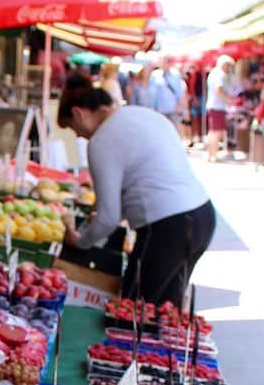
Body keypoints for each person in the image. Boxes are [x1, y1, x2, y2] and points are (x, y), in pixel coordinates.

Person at [57, 72, 216, 306]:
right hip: (202, 215)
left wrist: (80, 241)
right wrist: (112, 215)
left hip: (166, 227)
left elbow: (108, 219)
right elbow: (149, 179)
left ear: (79, 113)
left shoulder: (102, 140)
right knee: (163, 312)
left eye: (74, 129)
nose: (79, 136)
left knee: (133, 313)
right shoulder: (141, 114)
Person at [205, 54, 236, 161]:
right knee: (216, 131)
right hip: (217, 106)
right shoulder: (219, 75)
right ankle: (212, 154)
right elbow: (219, 90)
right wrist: (229, 100)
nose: (228, 68)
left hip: (215, 106)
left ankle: (211, 154)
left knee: (214, 131)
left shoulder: (214, 73)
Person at [153, 56, 187, 130]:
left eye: (168, 61)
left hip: (173, 109)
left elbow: (179, 92)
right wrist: (155, 108)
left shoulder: (176, 74)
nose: (166, 64)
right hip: (161, 110)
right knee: (162, 130)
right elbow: (154, 94)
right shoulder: (155, 75)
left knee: (174, 130)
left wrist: (179, 106)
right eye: (164, 61)